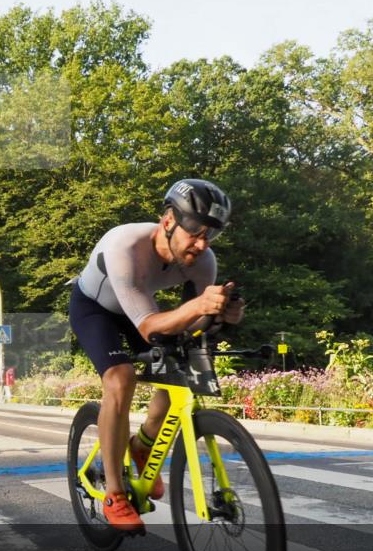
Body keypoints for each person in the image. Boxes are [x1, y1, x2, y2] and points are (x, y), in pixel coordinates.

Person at [68, 179, 245, 531]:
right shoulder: (125, 246)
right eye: (195, 233)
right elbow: (149, 326)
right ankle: (115, 493)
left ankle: (143, 444)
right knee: (121, 378)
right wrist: (199, 306)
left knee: (180, 367)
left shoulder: (203, 261)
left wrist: (222, 316)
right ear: (168, 221)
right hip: (95, 309)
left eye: (211, 235)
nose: (202, 244)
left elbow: (192, 326)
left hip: (140, 309)